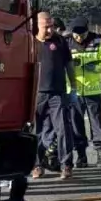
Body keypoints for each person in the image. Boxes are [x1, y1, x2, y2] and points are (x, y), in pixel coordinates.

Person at [32, 11, 76, 181]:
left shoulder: (60, 41)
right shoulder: (30, 42)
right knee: (36, 132)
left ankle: (66, 165)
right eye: (46, 27)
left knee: (63, 129)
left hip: (58, 93)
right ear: (37, 26)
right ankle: (37, 165)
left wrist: (73, 87)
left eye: (51, 26)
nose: (50, 30)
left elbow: (69, 64)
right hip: (37, 94)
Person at [67, 17, 101, 168]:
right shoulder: (66, 42)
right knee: (76, 125)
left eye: (82, 35)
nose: (79, 38)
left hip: (93, 90)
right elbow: (60, 64)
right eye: (76, 35)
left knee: (97, 125)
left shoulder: (97, 41)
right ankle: (81, 156)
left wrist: (93, 67)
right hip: (74, 92)